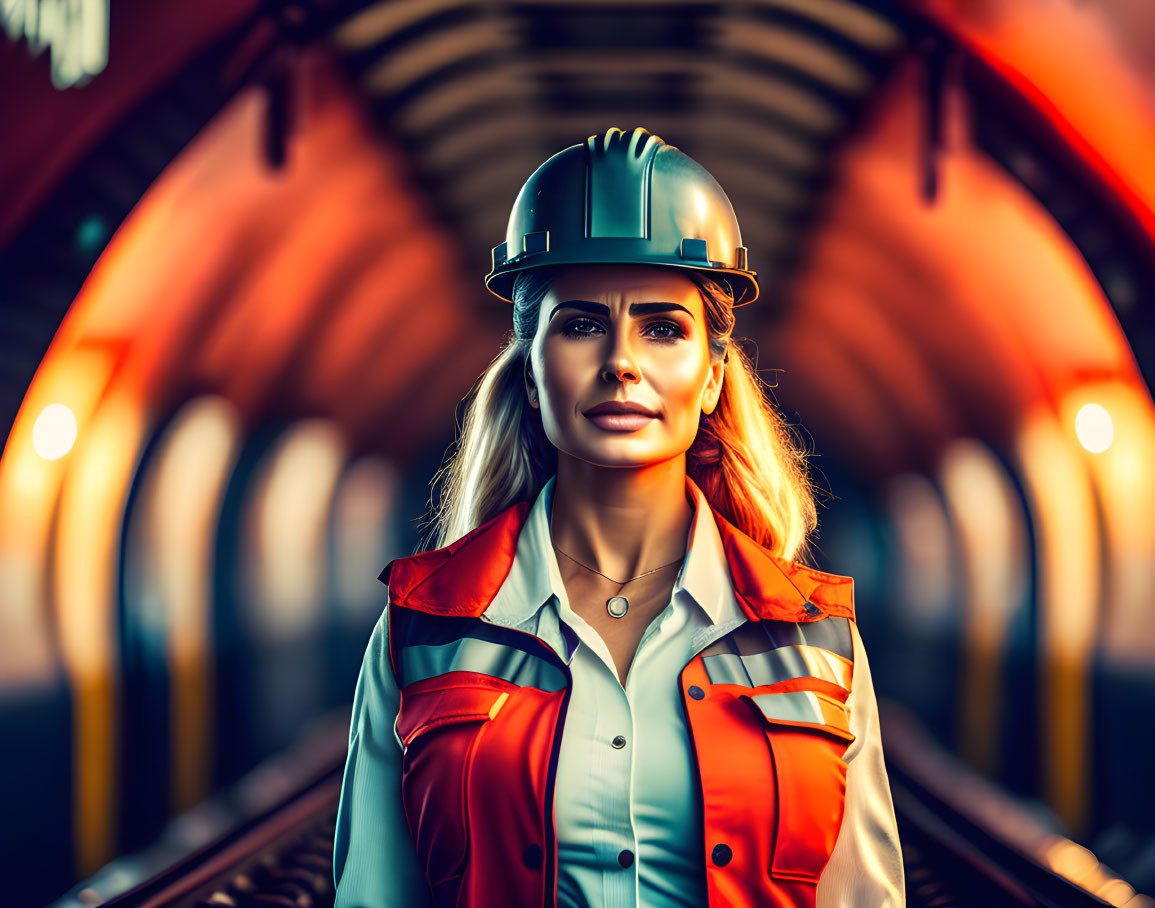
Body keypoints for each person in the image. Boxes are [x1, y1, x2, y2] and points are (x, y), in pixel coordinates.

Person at [333, 126, 904, 907]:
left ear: (710, 378)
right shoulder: (424, 630)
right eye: (579, 324)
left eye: (663, 328)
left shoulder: (814, 638)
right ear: (531, 372)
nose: (621, 362)